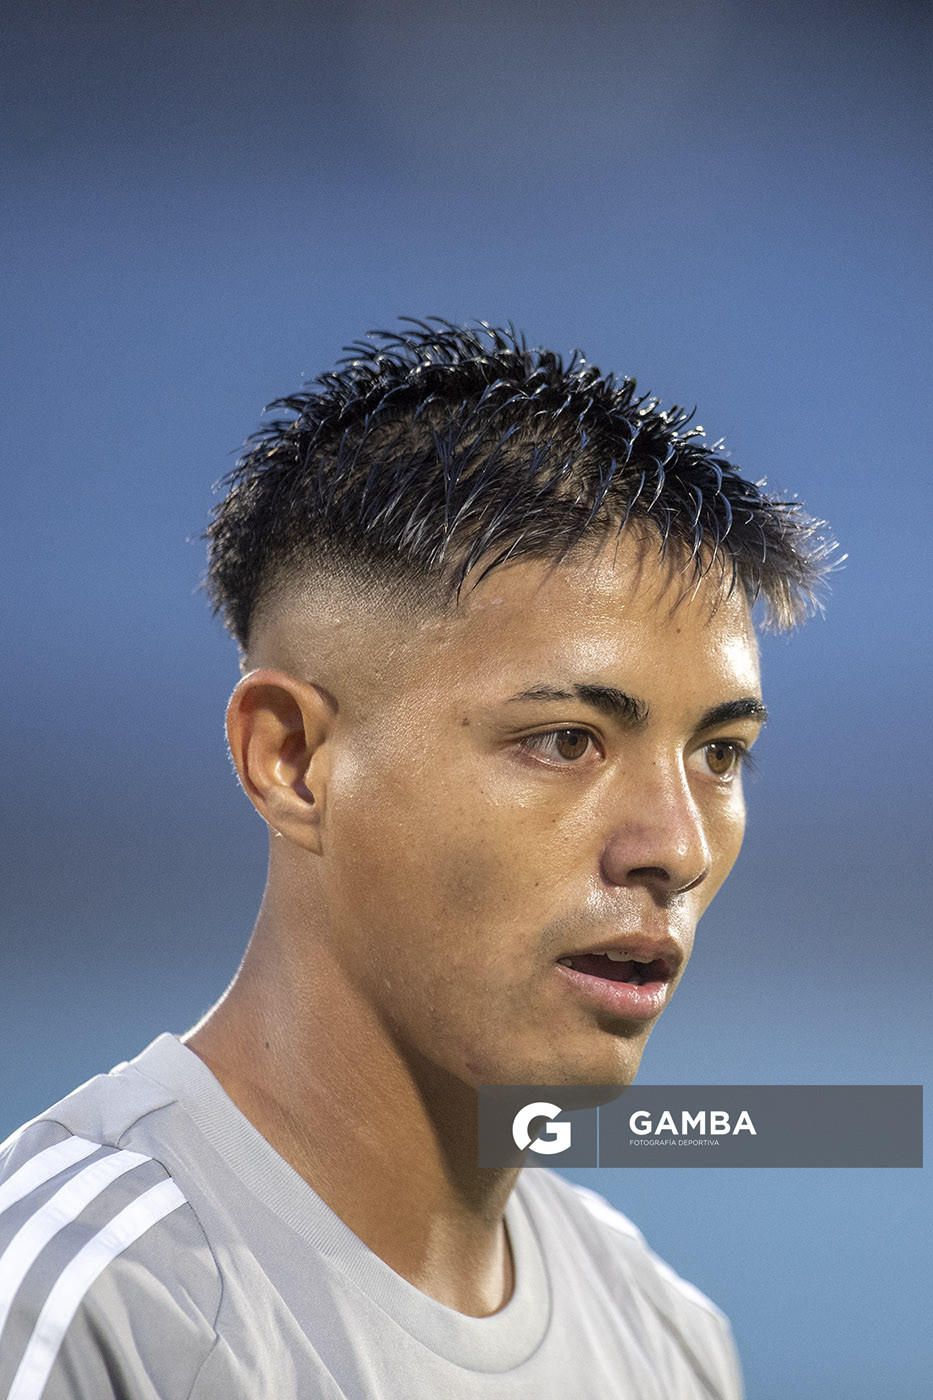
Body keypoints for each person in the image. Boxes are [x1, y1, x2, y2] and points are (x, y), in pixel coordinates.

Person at [0, 320, 833, 1398]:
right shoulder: (77, 1304)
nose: (674, 846)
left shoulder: (666, 1341)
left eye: (721, 753)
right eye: (566, 739)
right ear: (292, 759)